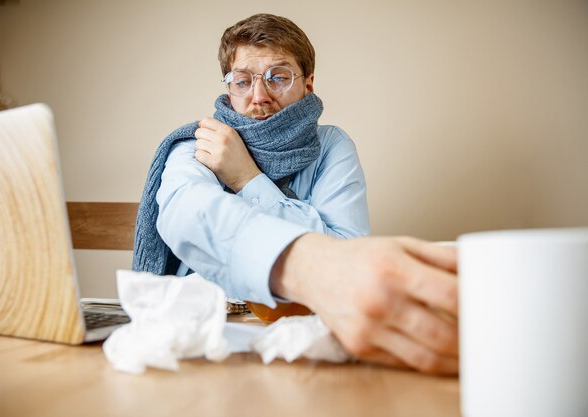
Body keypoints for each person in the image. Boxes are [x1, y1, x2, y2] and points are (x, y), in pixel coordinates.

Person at [133, 13, 458, 375]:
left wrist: (247, 179)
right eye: (243, 81)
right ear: (229, 88)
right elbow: (187, 215)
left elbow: (345, 247)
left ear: (308, 84)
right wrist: (305, 264)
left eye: (278, 77)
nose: (259, 96)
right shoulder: (199, 143)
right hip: (198, 339)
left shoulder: (332, 146)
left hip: (301, 342)